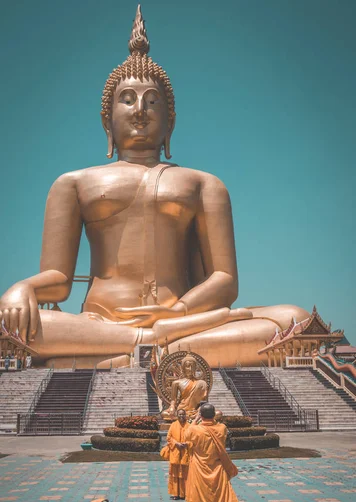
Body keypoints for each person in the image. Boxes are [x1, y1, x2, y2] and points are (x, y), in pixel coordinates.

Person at [0, 5, 308, 370]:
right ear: (107, 121)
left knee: (296, 321)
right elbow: (59, 281)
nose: (139, 110)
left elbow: (224, 280)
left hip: (182, 321)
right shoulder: (73, 184)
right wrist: (22, 288)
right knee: (8, 321)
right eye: (127, 99)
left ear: (170, 121)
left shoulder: (203, 184)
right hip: (100, 323)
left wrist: (177, 312)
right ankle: (150, 346)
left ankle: (109, 357)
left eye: (152, 100)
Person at [184, 403, 245, 502]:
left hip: (199, 472)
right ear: (214, 415)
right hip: (217, 472)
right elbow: (219, 429)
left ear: (201, 415)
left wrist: (196, 418)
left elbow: (186, 435)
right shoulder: (221, 428)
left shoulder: (194, 429)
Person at [166, 409, 190, 500]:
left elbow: (193, 438)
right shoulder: (173, 425)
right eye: (179, 414)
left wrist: (186, 443)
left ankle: (185, 494)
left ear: (185, 415)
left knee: (185, 474)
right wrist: (176, 443)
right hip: (175, 452)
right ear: (177, 415)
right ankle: (176, 494)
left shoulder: (189, 426)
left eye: (183, 414)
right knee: (175, 474)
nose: (181, 416)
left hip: (185, 453)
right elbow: (169, 438)